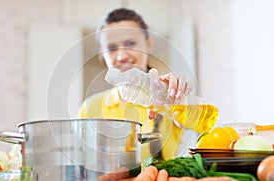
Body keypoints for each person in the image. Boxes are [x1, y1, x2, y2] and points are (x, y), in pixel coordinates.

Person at [79, 8, 192, 160]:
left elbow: (197, 123)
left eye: (131, 43)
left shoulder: (167, 98)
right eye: (112, 48)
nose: (122, 55)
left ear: (149, 44)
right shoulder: (90, 108)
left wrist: (180, 99)